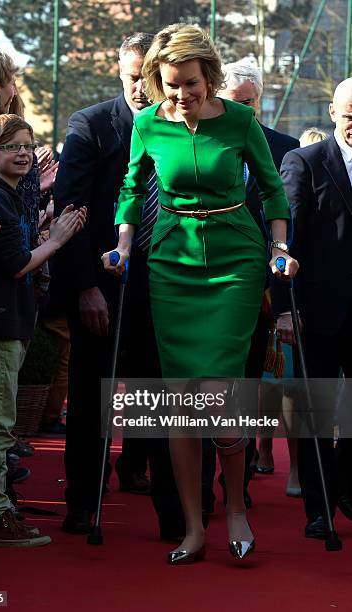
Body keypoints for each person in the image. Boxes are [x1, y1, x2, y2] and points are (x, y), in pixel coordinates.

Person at [103, 23, 298, 565]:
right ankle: (193, 527)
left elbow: (274, 187)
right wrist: (121, 244)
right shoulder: (147, 124)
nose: (180, 95)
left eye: (189, 83)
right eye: (169, 85)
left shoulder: (238, 120)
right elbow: (130, 187)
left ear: (208, 77)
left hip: (235, 261)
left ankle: (234, 505)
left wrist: (279, 248)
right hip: (171, 261)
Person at [54, 32, 195, 539]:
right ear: (119, 71)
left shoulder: (181, 128)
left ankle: (174, 517)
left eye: (148, 78)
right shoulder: (90, 126)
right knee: (93, 402)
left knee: (164, 403)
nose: (139, 88)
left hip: (166, 289)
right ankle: (83, 504)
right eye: (131, 77)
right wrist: (85, 287)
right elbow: (69, 213)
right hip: (102, 289)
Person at [0, 113, 86, 546]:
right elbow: (16, 265)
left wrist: (48, 230)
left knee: (0, 420)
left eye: (26, 146)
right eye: (10, 146)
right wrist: (56, 241)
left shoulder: (8, 196)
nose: (21, 153)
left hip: (8, 319)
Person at [220, 61, 300, 497]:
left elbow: (288, 222)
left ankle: (240, 477)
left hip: (260, 291)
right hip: (207, 285)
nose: (244, 111)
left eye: (250, 103)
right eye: (235, 103)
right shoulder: (203, 142)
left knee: (250, 382)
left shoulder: (285, 149)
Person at [277, 78, 352, 539]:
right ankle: (319, 507)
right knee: (316, 414)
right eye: (349, 115)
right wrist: (285, 307)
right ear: (331, 112)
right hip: (318, 309)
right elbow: (284, 240)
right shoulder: (304, 161)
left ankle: (344, 483)